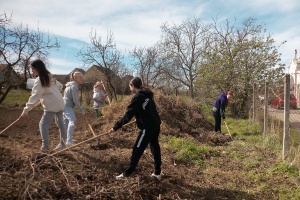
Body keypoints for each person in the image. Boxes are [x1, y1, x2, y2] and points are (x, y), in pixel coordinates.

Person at [109, 77, 162, 180]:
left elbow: (128, 115)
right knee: (155, 147)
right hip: (156, 124)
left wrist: (115, 127)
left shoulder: (137, 97)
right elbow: (147, 109)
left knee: (137, 149)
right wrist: (140, 117)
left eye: (129, 86)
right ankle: (157, 173)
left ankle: (126, 174)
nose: (129, 88)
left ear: (132, 86)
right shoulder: (147, 94)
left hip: (147, 127)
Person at [19, 59, 66, 152]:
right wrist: (52, 94)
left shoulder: (39, 80)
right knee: (61, 124)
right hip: (60, 102)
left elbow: (34, 97)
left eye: (32, 69)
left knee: (43, 124)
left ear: (37, 68)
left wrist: (25, 111)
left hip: (51, 105)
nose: (32, 71)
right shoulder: (50, 77)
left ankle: (45, 147)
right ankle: (63, 144)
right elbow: (60, 86)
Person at [63, 71, 85, 145]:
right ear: (75, 78)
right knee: (73, 121)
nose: (82, 79)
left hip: (64, 105)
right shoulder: (74, 87)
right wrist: (81, 110)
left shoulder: (69, 86)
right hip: (67, 106)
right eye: (80, 77)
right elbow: (75, 100)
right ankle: (69, 141)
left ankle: (66, 139)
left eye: (82, 77)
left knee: (66, 123)